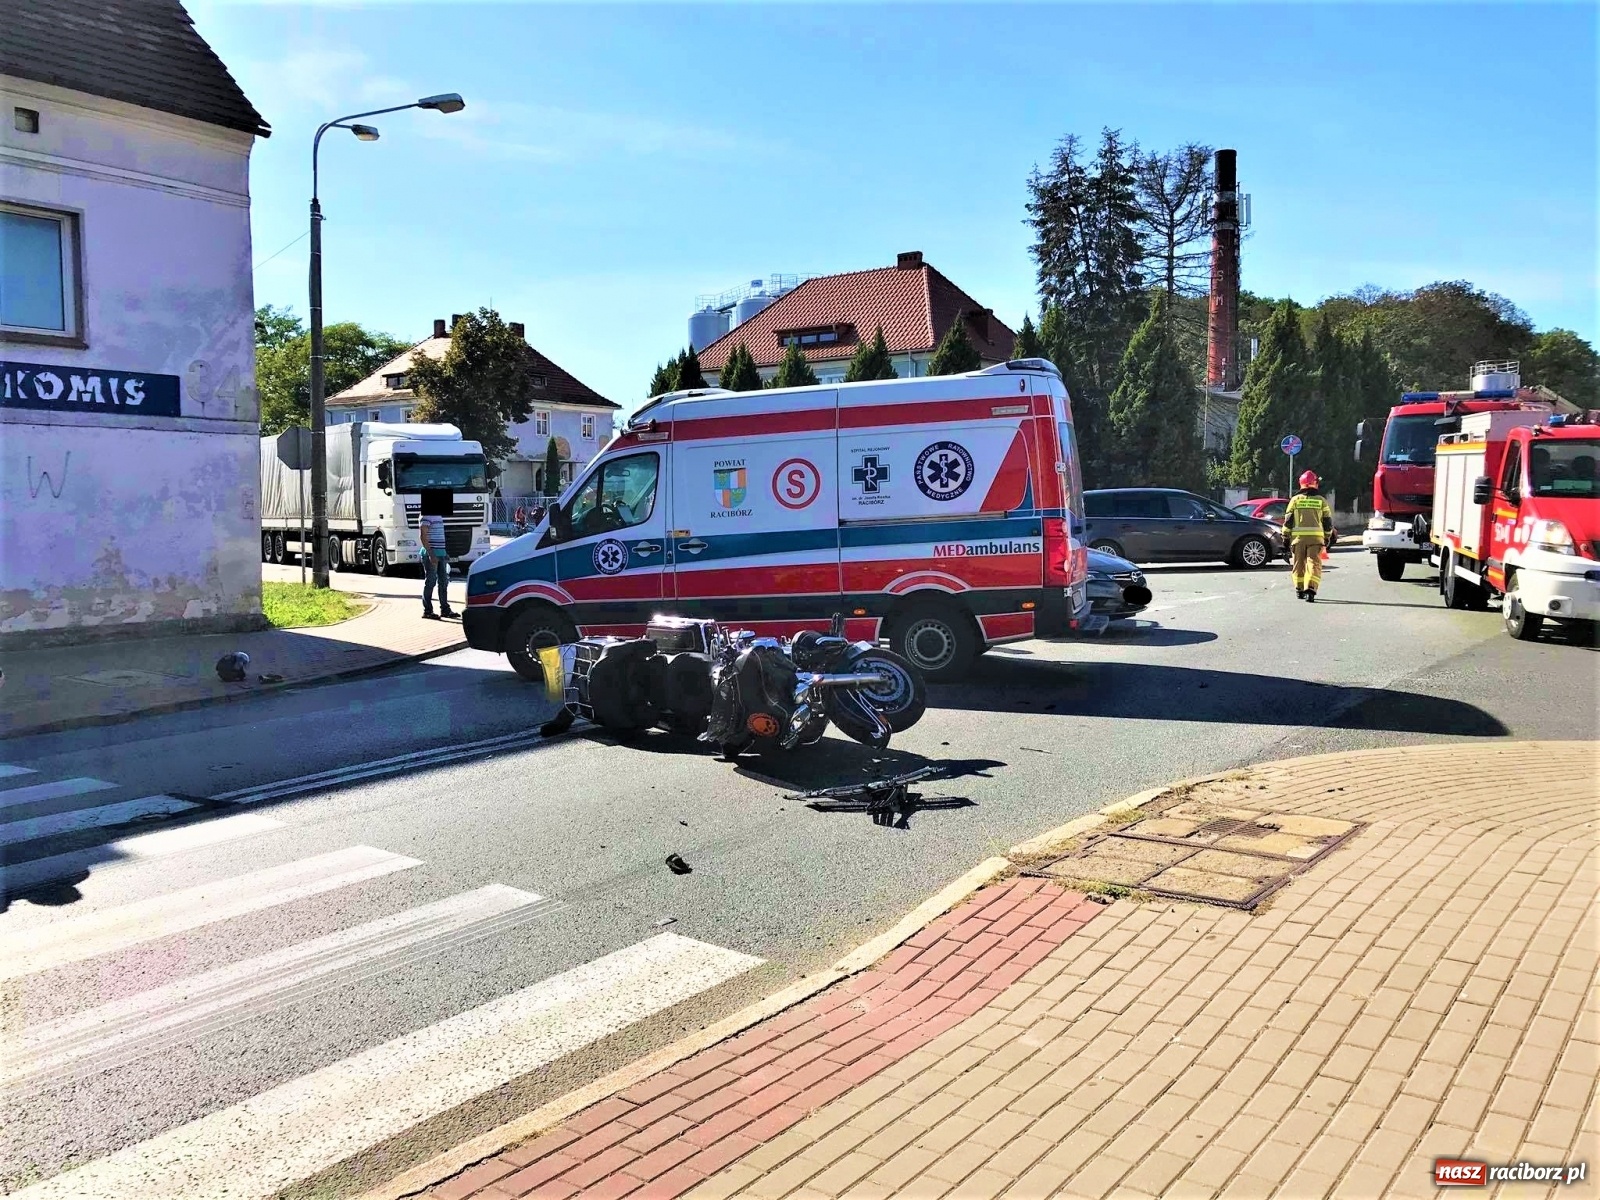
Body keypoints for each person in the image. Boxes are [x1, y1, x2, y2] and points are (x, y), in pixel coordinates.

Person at [1283, 470, 1334, 602]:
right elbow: (1327, 522)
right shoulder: (1321, 501)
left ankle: (1299, 590)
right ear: (1315, 483)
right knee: (1314, 564)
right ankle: (1310, 590)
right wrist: (1327, 537)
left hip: (1298, 540)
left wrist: (1285, 538)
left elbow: (1288, 522)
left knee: (1298, 564)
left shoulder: (1294, 500)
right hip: (1316, 539)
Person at [419, 511, 456, 619]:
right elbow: (423, 535)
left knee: (444, 582)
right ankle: (427, 611)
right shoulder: (426, 515)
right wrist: (431, 553)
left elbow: (439, 536)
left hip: (441, 553)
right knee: (430, 582)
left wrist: (445, 553)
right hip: (431, 554)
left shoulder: (438, 516)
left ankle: (445, 609)